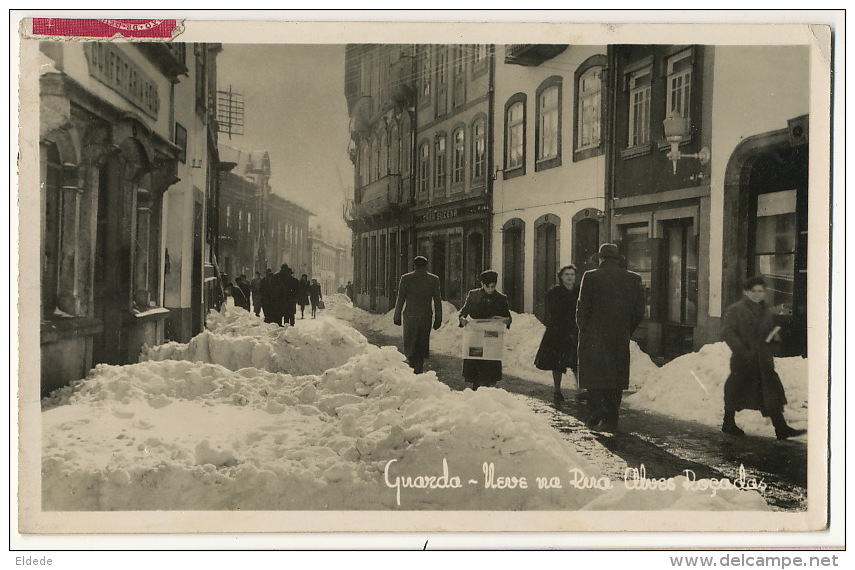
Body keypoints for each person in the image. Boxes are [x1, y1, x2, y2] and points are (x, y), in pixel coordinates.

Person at [720, 276, 806, 440]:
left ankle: (781, 428)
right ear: (746, 292)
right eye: (754, 291)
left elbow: (768, 331)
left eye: (761, 291)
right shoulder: (736, 310)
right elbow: (728, 333)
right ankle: (728, 422)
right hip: (743, 359)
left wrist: (774, 339)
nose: (758, 294)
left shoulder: (766, 310)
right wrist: (742, 350)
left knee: (771, 391)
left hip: (763, 359)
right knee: (736, 389)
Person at [576, 243, 646, 433]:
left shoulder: (590, 276)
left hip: (594, 335)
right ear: (617, 259)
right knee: (616, 377)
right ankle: (612, 420)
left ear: (601, 259)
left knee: (593, 373)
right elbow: (639, 311)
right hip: (619, 336)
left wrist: (585, 330)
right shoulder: (634, 278)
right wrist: (626, 329)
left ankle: (599, 407)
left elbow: (582, 308)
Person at [458, 270, 512, 390]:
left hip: (492, 337)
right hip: (476, 337)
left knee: (490, 364)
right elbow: (464, 311)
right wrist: (462, 319)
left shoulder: (501, 298)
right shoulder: (473, 295)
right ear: (482, 284)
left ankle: (489, 389)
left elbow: (507, 316)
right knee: (476, 362)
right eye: (488, 286)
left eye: (493, 286)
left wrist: (507, 321)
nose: (490, 289)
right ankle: (475, 387)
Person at [534, 265, 580, 403]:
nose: (570, 277)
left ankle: (580, 389)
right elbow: (556, 312)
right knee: (557, 362)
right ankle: (557, 390)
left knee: (577, 361)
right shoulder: (554, 292)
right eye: (567, 274)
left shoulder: (579, 291)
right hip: (558, 331)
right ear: (561, 277)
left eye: (572, 274)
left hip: (575, 329)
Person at [392, 256, 443, 374]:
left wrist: (397, 316)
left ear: (414, 265)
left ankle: (411, 364)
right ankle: (419, 366)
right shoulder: (434, 279)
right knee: (422, 341)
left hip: (410, 316)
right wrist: (438, 319)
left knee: (410, 341)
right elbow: (437, 301)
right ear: (426, 266)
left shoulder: (405, 278)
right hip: (426, 317)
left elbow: (400, 299)